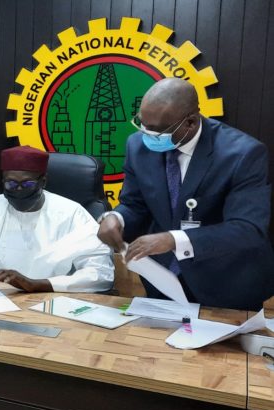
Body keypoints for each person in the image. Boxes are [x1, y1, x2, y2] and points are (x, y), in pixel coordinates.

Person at [97, 78, 274, 310]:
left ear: (190, 122)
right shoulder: (137, 145)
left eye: (157, 131)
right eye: (142, 124)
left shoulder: (243, 154)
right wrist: (116, 218)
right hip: (163, 282)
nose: (147, 135)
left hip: (226, 285)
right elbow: (134, 204)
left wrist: (173, 239)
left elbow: (247, 228)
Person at [0, 146, 113, 296]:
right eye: (10, 184)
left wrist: (36, 284)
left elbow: (100, 273)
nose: (18, 190)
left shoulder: (71, 214)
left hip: (49, 301)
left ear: (43, 181)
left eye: (26, 185)